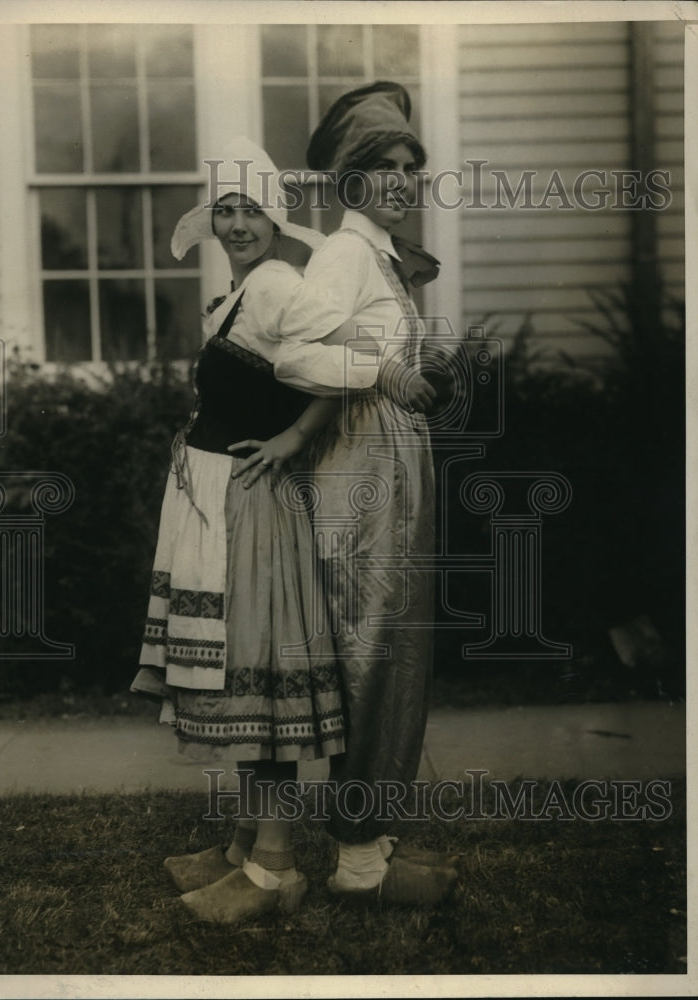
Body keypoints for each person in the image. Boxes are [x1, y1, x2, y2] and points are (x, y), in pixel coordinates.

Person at [131, 137, 371, 924]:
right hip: (216, 499)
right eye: (227, 211)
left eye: (253, 211)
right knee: (235, 676)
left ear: (275, 220)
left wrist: (295, 439)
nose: (238, 225)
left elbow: (350, 357)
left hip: (252, 508)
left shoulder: (272, 285)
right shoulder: (241, 291)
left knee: (255, 678)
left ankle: (275, 866)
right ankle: (244, 845)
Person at [259, 81, 458, 902]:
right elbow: (288, 351)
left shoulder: (375, 255)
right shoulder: (343, 255)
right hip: (360, 465)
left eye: (412, 165)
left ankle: (370, 839)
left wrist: (407, 377)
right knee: (371, 646)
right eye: (385, 166)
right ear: (351, 181)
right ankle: (357, 862)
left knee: (395, 643)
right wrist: (380, 370)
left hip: (392, 458)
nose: (404, 179)